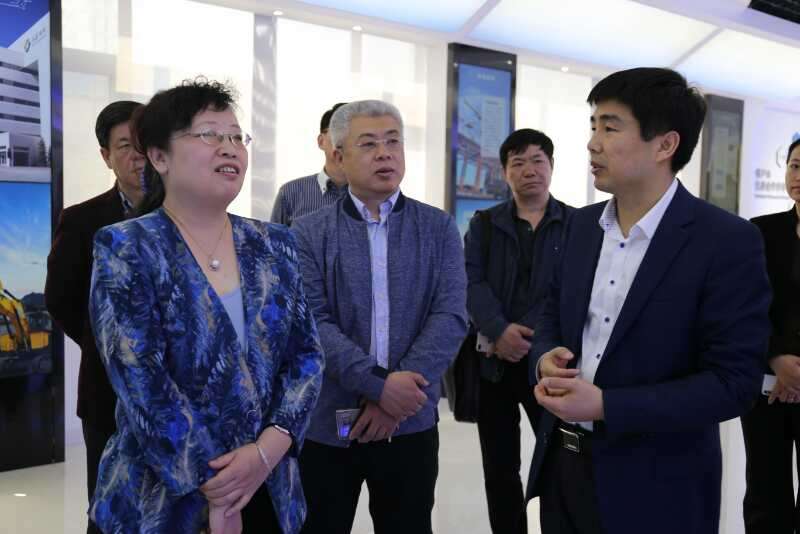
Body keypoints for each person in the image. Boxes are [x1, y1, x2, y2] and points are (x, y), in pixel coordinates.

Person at [528, 67, 772, 534]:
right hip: (564, 469)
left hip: (659, 485)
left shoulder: (725, 241)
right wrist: (544, 359)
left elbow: (734, 382)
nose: (592, 143)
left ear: (665, 145)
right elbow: (550, 313)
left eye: (610, 127)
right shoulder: (580, 227)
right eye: (593, 126)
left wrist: (606, 405)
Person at [88, 79, 324, 534]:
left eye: (236, 136)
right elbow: (142, 381)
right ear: (159, 157)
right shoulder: (127, 246)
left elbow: (307, 357)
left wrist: (267, 451)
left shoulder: (274, 243)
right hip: (164, 498)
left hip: (269, 486)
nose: (229, 147)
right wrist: (216, 487)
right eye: (209, 134)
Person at [292, 100, 467, 534]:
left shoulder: (438, 227)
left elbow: (450, 316)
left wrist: (397, 399)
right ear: (338, 156)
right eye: (369, 144)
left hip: (410, 421)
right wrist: (380, 386)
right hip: (329, 425)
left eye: (393, 142)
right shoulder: (309, 232)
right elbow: (313, 323)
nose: (385, 153)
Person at [464, 128, 572, 534]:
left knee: (560, 463)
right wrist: (499, 330)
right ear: (504, 172)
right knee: (500, 467)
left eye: (537, 160)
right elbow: (470, 282)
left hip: (552, 366)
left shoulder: (576, 224)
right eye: (518, 162)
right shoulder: (484, 224)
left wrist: (529, 337)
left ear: (551, 166)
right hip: (495, 363)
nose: (529, 170)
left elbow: (571, 289)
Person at [44, 100, 144, 534]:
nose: (138, 156)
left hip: (178, 395)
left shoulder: (181, 213)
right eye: (125, 146)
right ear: (106, 156)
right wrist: (105, 345)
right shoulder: (83, 220)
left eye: (145, 144)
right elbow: (60, 298)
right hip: (106, 391)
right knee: (108, 508)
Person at [742, 136, 800, 533]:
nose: (799, 176)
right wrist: (777, 357)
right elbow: (744, 307)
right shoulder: (760, 232)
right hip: (766, 385)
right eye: (795, 166)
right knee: (765, 492)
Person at [270, 102, 349, 226]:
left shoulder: (375, 194)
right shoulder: (290, 193)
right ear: (321, 141)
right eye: (339, 131)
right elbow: (274, 238)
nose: (346, 140)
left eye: (355, 136)